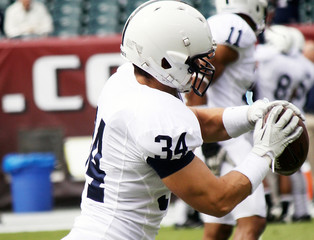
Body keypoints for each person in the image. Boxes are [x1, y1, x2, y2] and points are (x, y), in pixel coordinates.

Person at [61, 1, 303, 239]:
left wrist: (250, 114)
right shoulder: (153, 116)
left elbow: (198, 121)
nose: (204, 66)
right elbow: (217, 200)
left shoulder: (127, 79)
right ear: (165, 61)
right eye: (195, 59)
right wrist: (264, 153)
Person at [185, 0, 270, 239]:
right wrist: (206, 138)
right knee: (252, 222)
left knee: (218, 229)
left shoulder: (218, 23)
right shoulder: (235, 25)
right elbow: (202, 73)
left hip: (214, 134)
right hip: (223, 136)